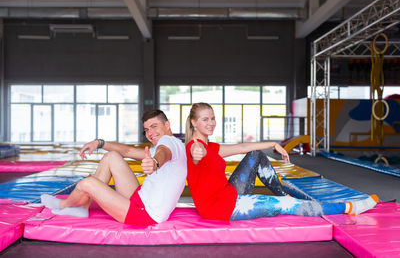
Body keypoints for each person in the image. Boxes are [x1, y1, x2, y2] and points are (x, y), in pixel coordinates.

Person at [185, 102, 379, 221]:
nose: (211, 123)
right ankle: (349, 207)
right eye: (205, 119)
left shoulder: (212, 147)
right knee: (287, 205)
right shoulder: (195, 146)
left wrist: (274, 144)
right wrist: (197, 152)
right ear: (194, 122)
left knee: (255, 155)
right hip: (222, 209)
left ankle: (280, 191)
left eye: (212, 118)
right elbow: (196, 152)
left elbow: (243, 147)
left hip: (227, 194)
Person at [41, 109, 187, 226]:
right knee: (112, 156)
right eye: (146, 129)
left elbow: (164, 153)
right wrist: (99, 143)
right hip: (141, 199)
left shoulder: (168, 142)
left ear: (167, 125)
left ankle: (64, 204)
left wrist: (155, 162)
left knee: (88, 183)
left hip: (145, 214)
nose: (150, 133)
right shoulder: (166, 145)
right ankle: (82, 207)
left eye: (154, 126)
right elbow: (127, 151)